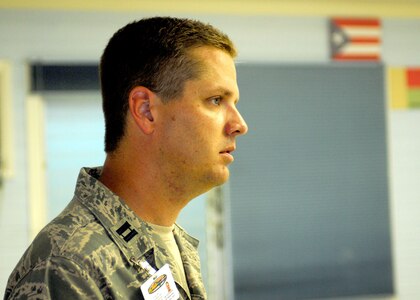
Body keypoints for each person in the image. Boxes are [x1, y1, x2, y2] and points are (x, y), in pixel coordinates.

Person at [4, 16, 248, 299]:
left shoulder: (171, 243)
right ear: (146, 111)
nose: (240, 124)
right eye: (216, 100)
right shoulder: (68, 265)